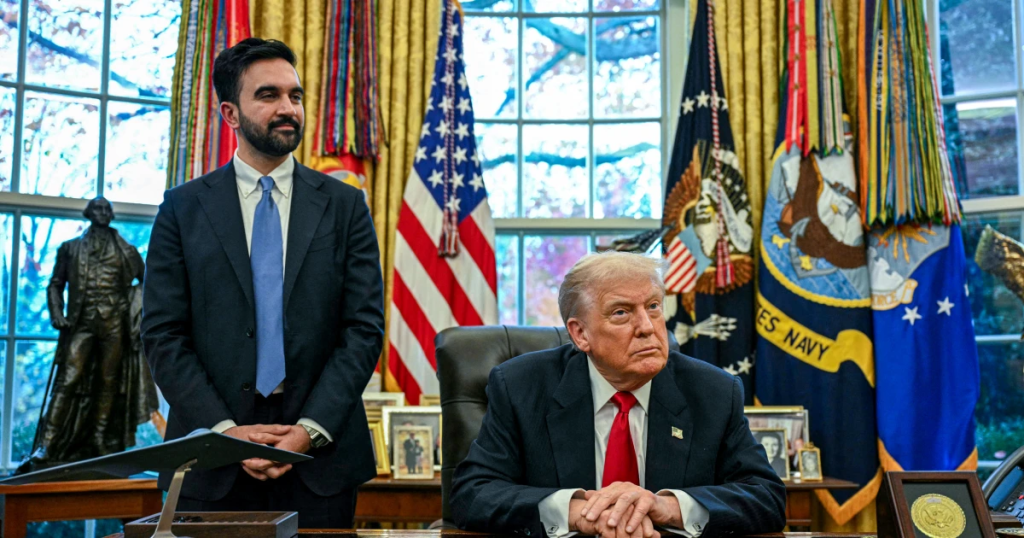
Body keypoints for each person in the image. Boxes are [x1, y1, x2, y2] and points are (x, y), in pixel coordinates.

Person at [141, 37, 385, 528]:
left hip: (321, 463)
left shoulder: (345, 206)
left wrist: (309, 431)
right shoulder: (182, 209)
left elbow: (363, 329)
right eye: (268, 95)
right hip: (210, 464)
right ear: (230, 114)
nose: (288, 108)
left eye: (295, 96)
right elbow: (163, 335)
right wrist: (225, 433)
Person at [451, 252, 786, 538]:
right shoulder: (521, 386)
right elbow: (472, 494)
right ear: (580, 334)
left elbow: (766, 497)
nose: (647, 326)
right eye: (621, 313)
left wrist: (666, 506)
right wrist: (577, 513)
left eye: (653, 306)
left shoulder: (713, 391)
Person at [18, 198, 156, 473]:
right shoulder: (70, 248)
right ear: (89, 214)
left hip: (114, 325)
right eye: (97, 209)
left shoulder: (127, 251)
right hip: (81, 324)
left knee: (109, 382)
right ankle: (47, 444)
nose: (103, 213)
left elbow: (147, 282)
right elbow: (55, 285)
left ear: (111, 215)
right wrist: (57, 314)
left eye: (107, 209)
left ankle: (100, 441)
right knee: (68, 380)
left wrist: (132, 307)